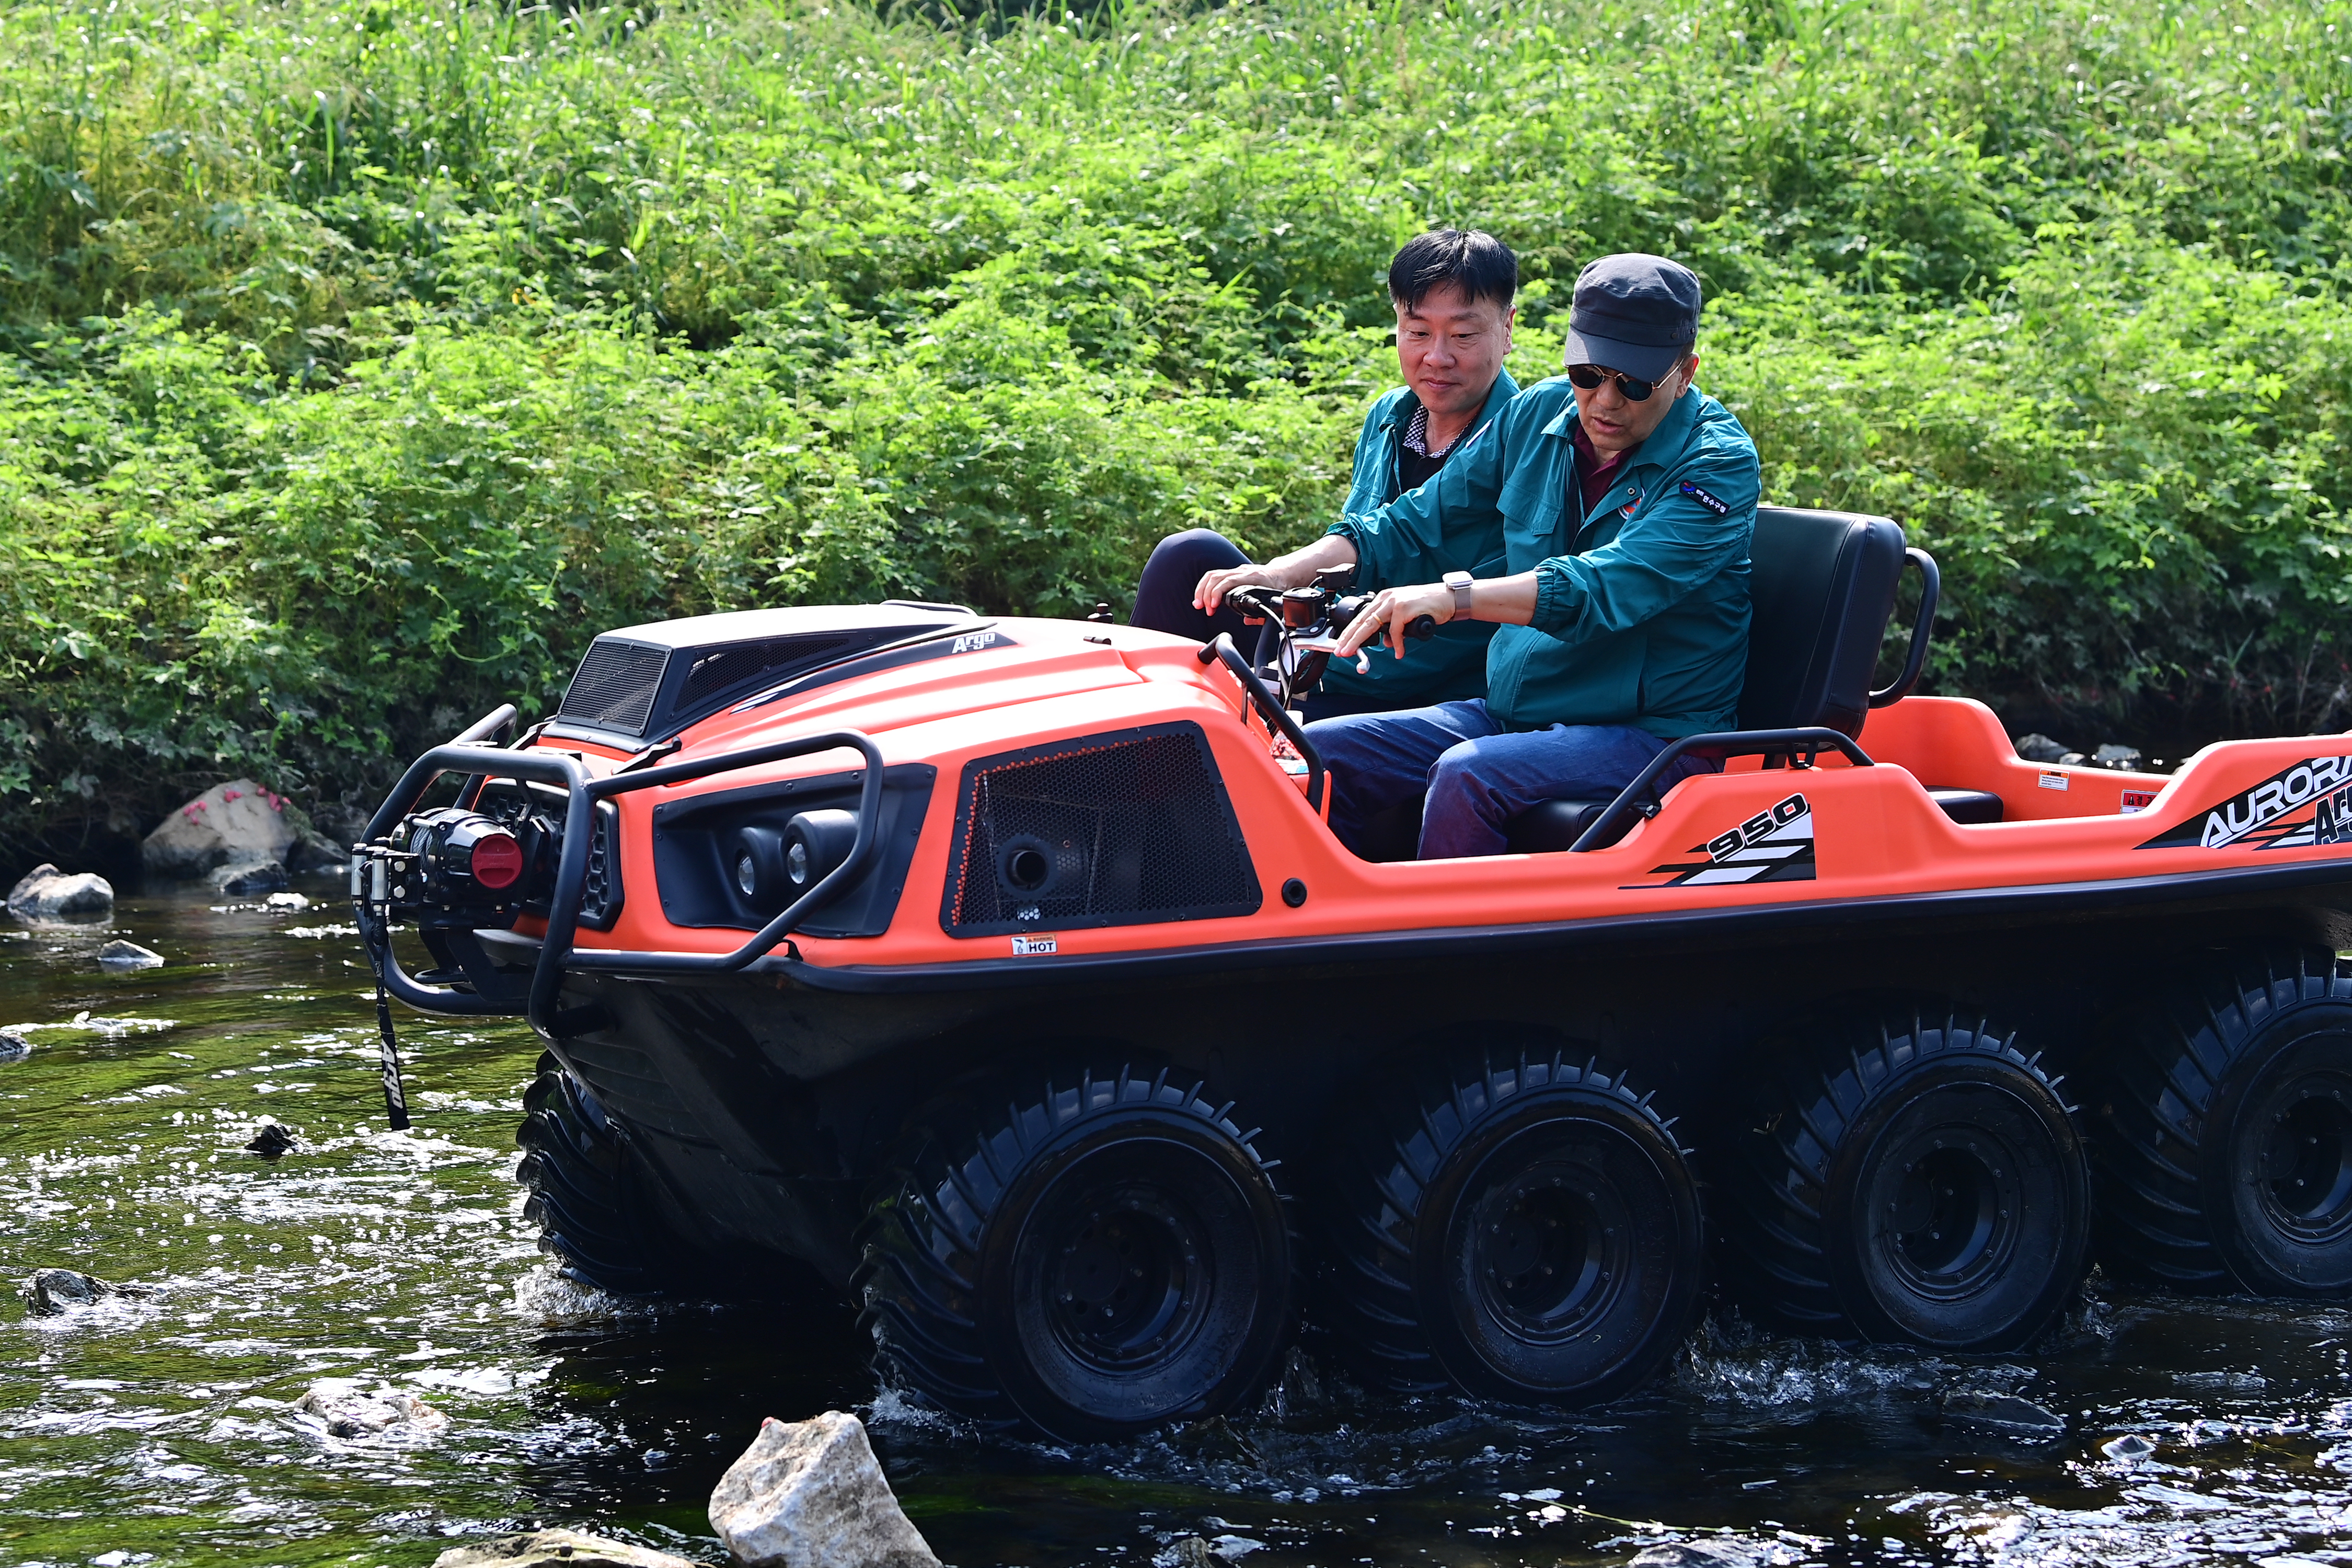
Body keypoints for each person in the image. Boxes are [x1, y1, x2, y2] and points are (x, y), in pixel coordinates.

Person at [1302, 253, 1763, 860]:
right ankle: (1334, 940)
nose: (1604, 402)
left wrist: (1454, 598)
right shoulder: (1541, 413)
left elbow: (1603, 589)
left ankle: (1452, 951)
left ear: (1685, 373)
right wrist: (1280, 571)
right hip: (1516, 711)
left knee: (1470, 775)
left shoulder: (1716, 465)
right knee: (1317, 755)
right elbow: (1417, 518)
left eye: (1633, 384)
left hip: (1652, 736)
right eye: (1587, 373)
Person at [1129, 229, 1521, 718]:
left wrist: (1295, 651)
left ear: (1507, 330)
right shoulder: (1390, 416)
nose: (1436, 357)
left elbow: (1412, 556)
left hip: (1409, 686)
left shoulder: (1524, 436)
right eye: (1418, 331)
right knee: (1187, 557)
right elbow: (1352, 554)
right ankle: (1130, 739)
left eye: (1463, 335)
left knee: (1231, 716)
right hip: (1328, 649)